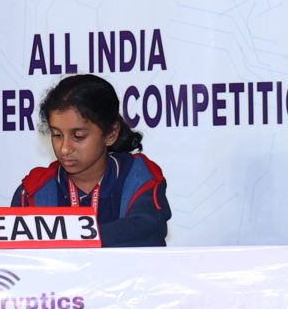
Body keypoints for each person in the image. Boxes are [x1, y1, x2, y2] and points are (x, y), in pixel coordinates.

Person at [10, 73, 170, 245]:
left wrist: (68, 238)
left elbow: (146, 229)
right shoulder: (34, 191)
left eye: (78, 136)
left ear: (111, 134)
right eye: (57, 135)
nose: (64, 148)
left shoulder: (138, 177)